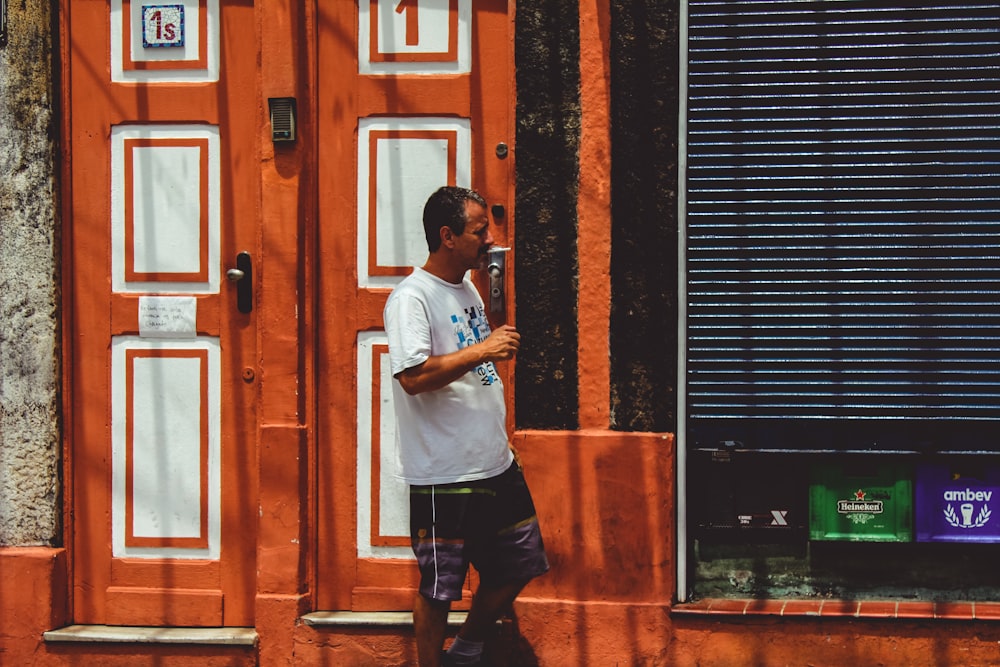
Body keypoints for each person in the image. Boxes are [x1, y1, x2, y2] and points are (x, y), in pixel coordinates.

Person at [383, 186, 549, 666]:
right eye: (480, 230)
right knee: (439, 586)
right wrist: (485, 348)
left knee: (521, 563)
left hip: (494, 464)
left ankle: (469, 648)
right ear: (447, 236)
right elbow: (413, 377)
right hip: (445, 473)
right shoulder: (411, 298)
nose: (490, 239)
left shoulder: (467, 287)